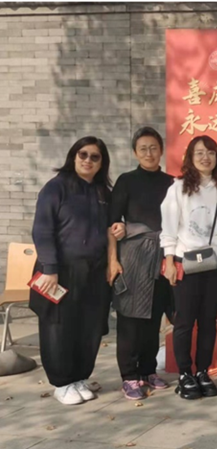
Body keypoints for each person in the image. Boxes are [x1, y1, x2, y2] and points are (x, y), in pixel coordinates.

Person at [31, 136, 122, 405]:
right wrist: (50, 268)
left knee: (90, 326)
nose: (88, 160)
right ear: (73, 156)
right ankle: (62, 382)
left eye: (95, 157)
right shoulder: (56, 188)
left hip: (95, 271)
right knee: (59, 326)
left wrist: (120, 230)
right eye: (83, 154)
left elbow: (112, 228)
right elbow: (42, 230)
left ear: (102, 163)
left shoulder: (104, 193)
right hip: (60, 271)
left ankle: (80, 377)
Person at [160, 135, 217, 400]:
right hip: (186, 261)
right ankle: (185, 374)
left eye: (211, 153)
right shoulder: (178, 188)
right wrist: (169, 262)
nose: (206, 158)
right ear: (190, 159)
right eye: (199, 153)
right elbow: (168, 229)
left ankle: (203, 371)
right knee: (184, 321)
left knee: (208, 321)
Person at [108, 127, 174, 400]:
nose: (149, 153)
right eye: (143, 148)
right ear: (135, 152)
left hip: (163, 255)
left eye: (153, 147)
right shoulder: (126, 181)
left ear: (161, 150)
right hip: (133, 256)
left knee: (154, 315)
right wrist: (113, 261)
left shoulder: (172, 183)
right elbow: (112, 224)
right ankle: (129, 375)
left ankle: (148, 370)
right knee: (130, 318)